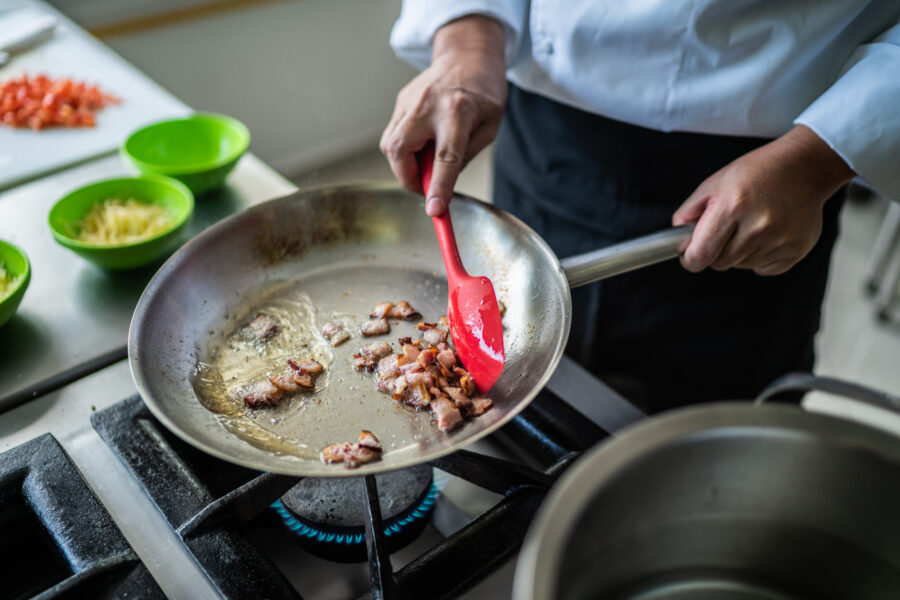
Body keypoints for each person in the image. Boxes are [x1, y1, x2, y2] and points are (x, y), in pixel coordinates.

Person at [380, 2, 900, 413]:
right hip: (550, 141)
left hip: (775, 171)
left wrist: (817, 161)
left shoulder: (800, 166)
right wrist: (467, 37)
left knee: (723, 438)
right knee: (525, 403)